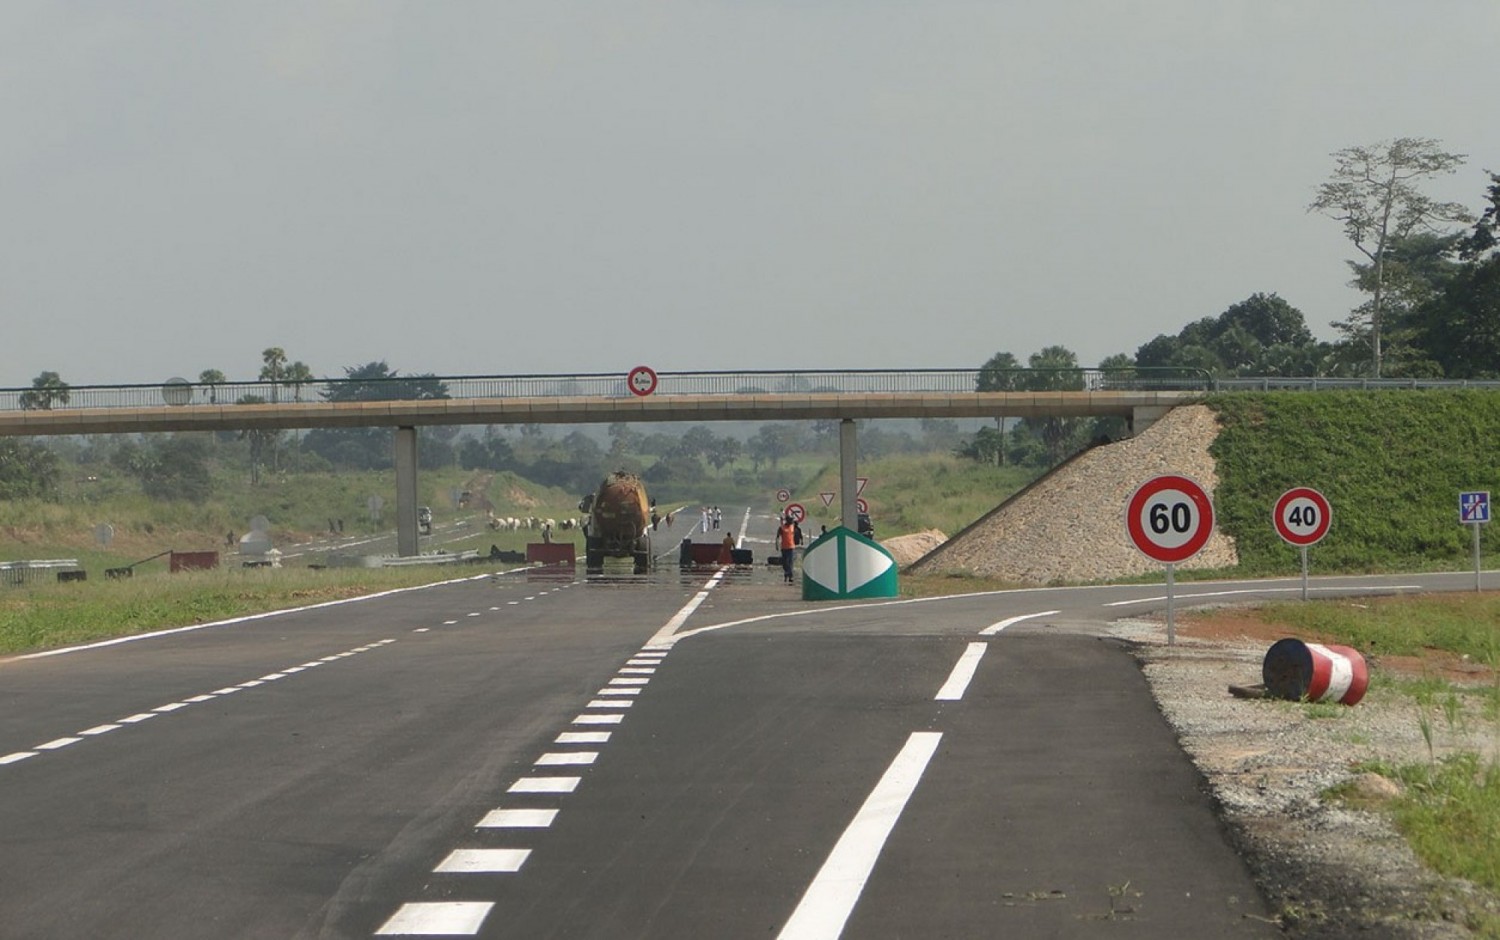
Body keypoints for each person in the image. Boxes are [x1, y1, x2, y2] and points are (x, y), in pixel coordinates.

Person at [778, 515, 798, 583]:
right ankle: (786, 572)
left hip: (791, 547)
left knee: (790, 562)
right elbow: (778, 536)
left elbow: (795, 533)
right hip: (784, 547)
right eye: (790, 520)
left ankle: (790, 576)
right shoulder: (782, 527)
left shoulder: (792, 527)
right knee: (785, 563)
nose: (791, 522)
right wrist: (777, 544)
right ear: (787, 520)